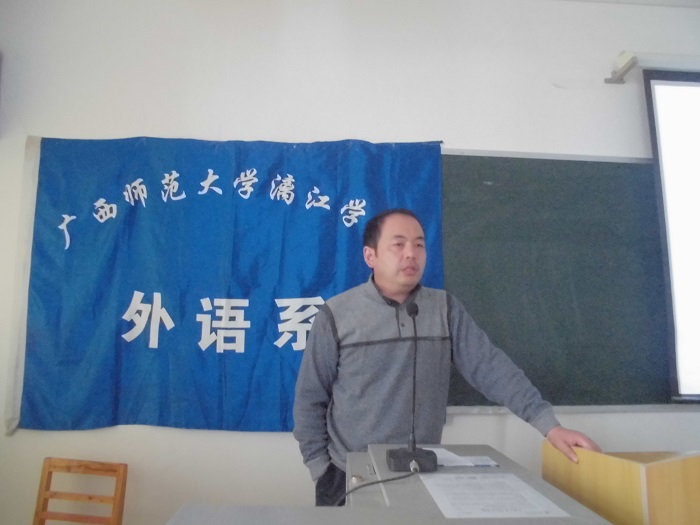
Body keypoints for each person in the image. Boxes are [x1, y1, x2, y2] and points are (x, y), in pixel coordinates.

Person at [293, 208, 600, 506]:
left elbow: (491, 368)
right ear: (369, 256)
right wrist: (321, 470)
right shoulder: (337, 314)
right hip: (349, 475)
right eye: (398, 244)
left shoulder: (444, 309)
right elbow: (310, 398)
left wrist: (549, 426)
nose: (411, 254)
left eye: (419, 245)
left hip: (420, 469)